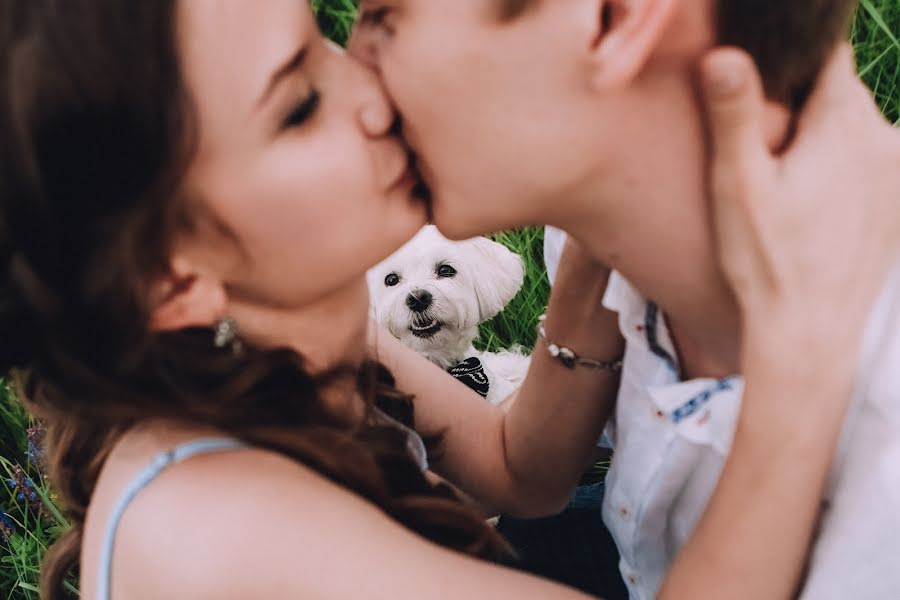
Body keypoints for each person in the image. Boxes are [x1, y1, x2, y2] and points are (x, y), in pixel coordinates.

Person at [0, 1, 895, 599]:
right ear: (172, 276)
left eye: (336, 33)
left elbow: (522, 472)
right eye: (302, 103)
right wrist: (800, 352)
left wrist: (600, 246)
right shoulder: (209, 527)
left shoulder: (284, 341)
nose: (369, 87)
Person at [349, 0, 900, 597]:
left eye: (386, 19)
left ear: (616, 18)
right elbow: (524, 470)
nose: (356, 80)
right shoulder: (593, 236)